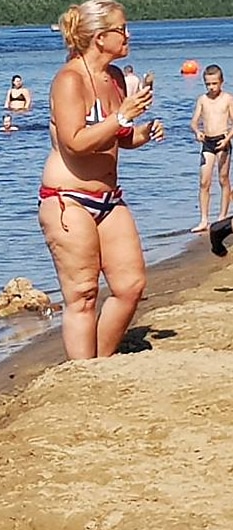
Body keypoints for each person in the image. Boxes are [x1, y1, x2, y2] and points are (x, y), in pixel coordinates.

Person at [38, 0, 164, 360]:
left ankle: (99, 363)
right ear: (99, 37)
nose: (129, 35)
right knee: (83, 293)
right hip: (67, 199)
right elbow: (75, 143)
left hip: (108, 200)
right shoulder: (69, 79)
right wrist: (122, 117)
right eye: (122, 29)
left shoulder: (116, 78)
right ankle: (82, 371)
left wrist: (141, 132)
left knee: (130, 285)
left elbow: (118, 138)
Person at [189, 64, 233, 232]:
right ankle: (203, 219)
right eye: (208, 84)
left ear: (221, 82)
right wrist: (197, 131)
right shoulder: (202, 99)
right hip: (207, 142)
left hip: (223, 140)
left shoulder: (227, 99)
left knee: (223, 179)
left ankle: (222, 216)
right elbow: (194, 121)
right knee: (204, 181)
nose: (211, 87)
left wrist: (227, 139)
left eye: (214, 83)